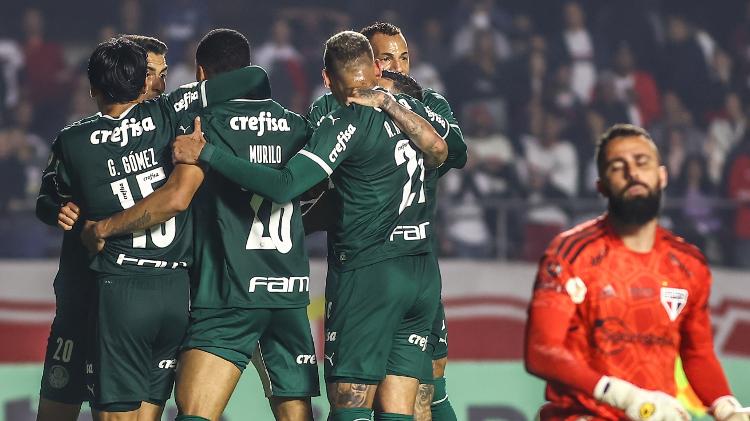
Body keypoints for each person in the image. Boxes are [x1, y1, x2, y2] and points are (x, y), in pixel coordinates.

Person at [172, 30, 449, 421]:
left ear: (326, 80)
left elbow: (285, 185)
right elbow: (442, 151)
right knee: (401, 405)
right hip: (421, 270)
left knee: (351, 401)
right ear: (374, 67)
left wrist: (208, 152)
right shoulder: (413, 113)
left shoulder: (346, 121)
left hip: (371, 271)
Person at [82, 28, 320, 421]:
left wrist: (101, 224)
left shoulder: (201, 125)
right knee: (297, 415)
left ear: (201, 73)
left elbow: (174, 196)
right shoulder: (297, 127)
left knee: (194, 413)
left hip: (228, 294)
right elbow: (319, 193)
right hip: (289, 294)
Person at [41, 36, 270, 420]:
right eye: (154, 75)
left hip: (117, 289)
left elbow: (48, 192)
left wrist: (79, 219)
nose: (161, 84)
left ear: (93, 86)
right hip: (170, 291)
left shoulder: (74, 140)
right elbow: (252, 77)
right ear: (140, 81)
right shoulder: (169, 116)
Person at [524, 123, 750, 421]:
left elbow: (698, 354)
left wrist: (726, 408)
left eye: (642, 162)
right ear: (601, 186)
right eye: (618, 167)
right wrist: (626, 396)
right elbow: (541, 351)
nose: (632, 173)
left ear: (662, 175)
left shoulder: (689, 264)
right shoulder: (570, 255)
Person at [308, 22, 466, 420]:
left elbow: (456, 152)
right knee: (370, 394)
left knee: (427, 386)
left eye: (405, 56)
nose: (398, 66)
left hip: (414, 257)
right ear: (368, 65)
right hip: (364, 258)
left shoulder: (428, 104)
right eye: (387, 58)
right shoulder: (330, 108)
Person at [34, 35, 169, 421]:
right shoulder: (79, 141)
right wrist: (56, 208)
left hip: (128, 299)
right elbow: (47, 195)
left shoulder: (167, 129)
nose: (158, 85)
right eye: (151, 75)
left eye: (162, 76)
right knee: (57, 407)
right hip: (81, 295)